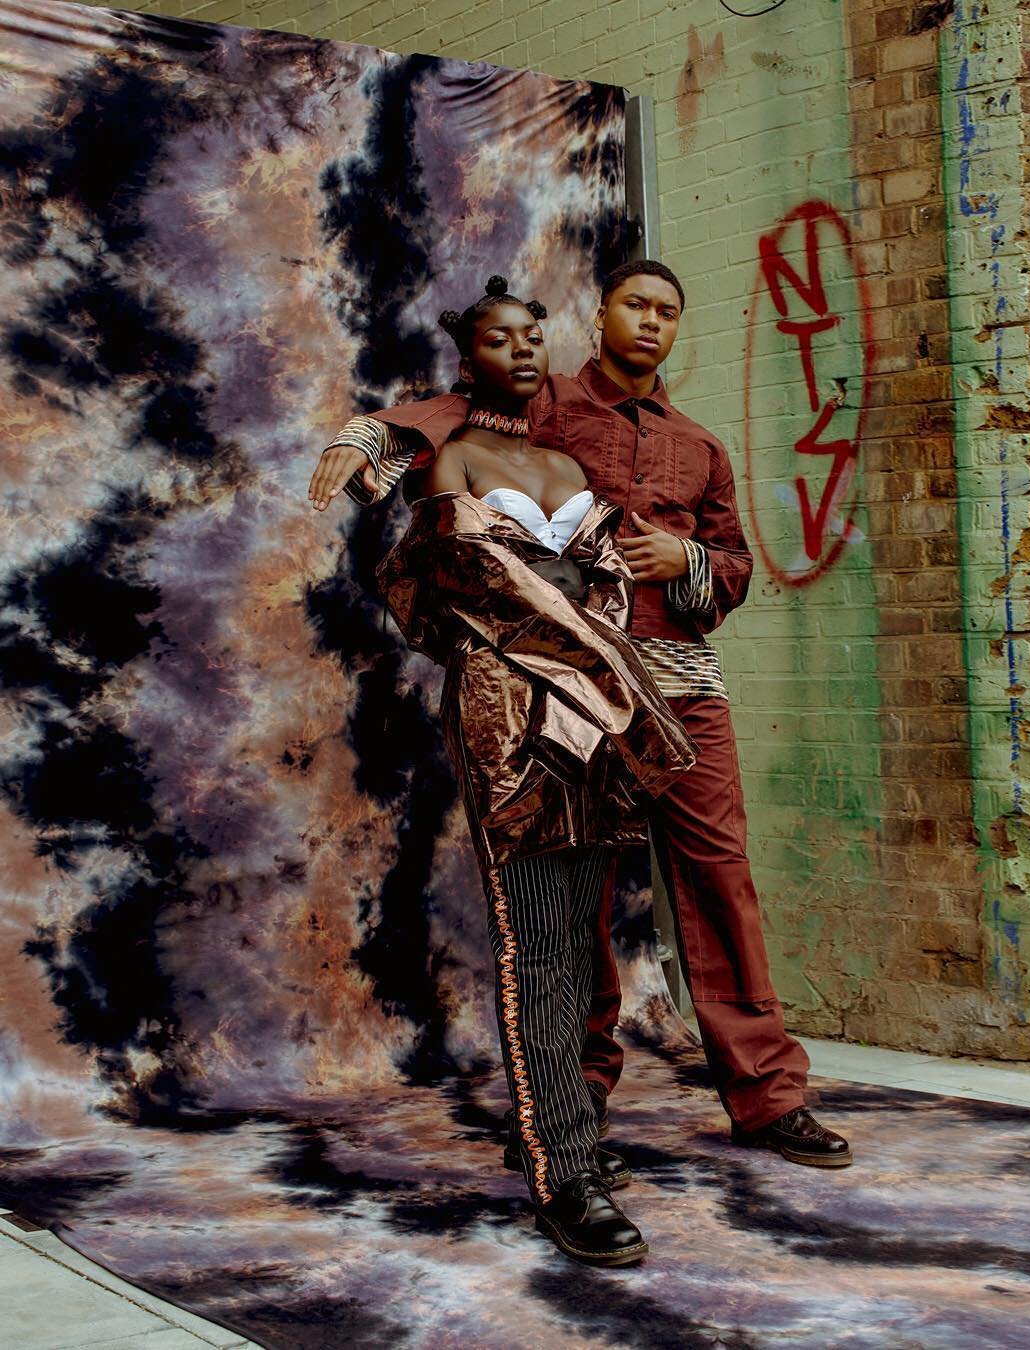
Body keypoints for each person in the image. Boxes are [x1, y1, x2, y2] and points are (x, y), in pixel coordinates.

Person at [310, 261, 852, 1169]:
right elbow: (450, 413)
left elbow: (734, 570)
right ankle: (572, 1101)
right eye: (636, 305)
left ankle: (768, 1098)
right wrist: (368, 438)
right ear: (601, 316)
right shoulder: (547, 403)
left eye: (668, 311)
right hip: (567, 686)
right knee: (576, 897)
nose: (652, 321)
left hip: (683, 685)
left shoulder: (702, 447)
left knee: (720, 880)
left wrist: (684, 558)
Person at [340, 276, 697, 1264]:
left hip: (599, 714)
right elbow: (454, 588)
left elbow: (609, 585)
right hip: (510, 708)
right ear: (471, 358)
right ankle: (561, 1174)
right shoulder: (452, 456)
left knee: (581, 942)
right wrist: (371, 440)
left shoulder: (564, 460)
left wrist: (601, 654)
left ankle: (560, 1129)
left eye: (534, 335)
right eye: (502, 338)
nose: (526, 349)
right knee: (534, 941)